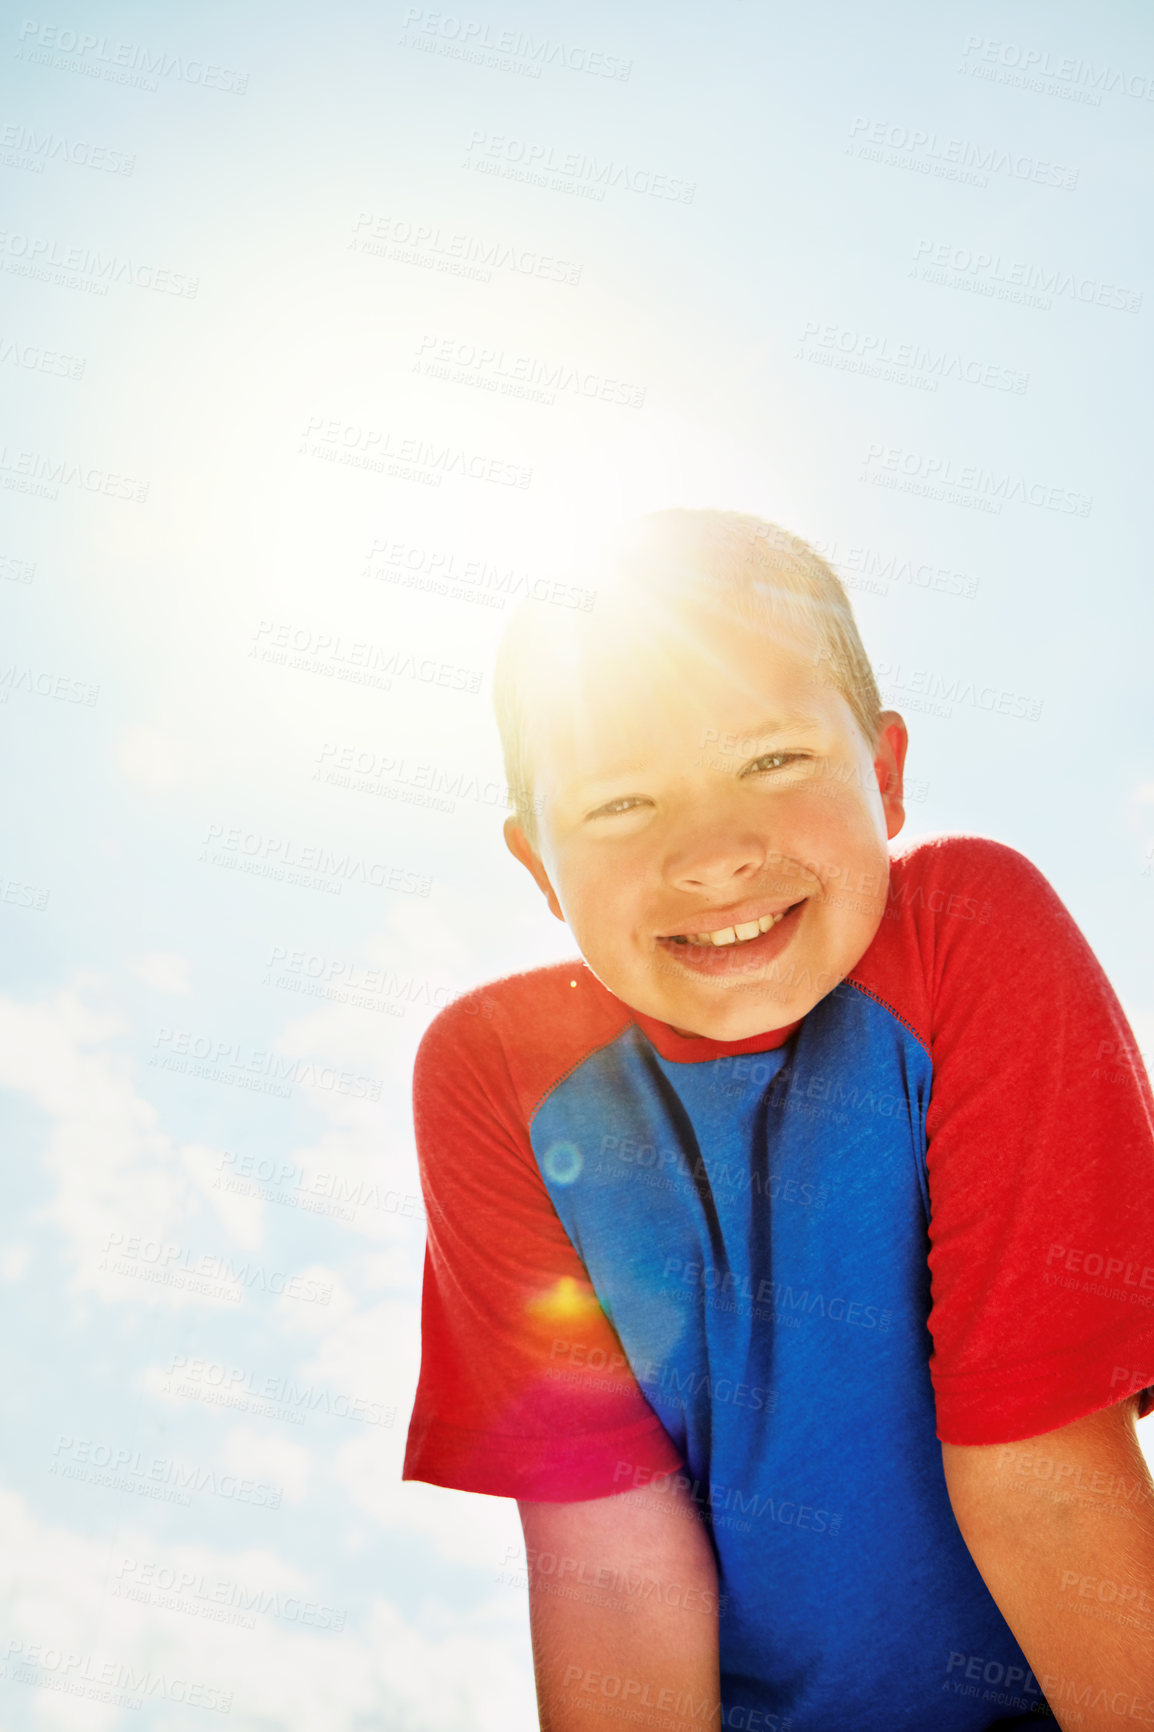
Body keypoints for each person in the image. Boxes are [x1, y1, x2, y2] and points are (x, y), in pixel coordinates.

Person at [402, 509, 1154, 1732]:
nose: (713, 854)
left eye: (769, 763)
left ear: (886, 773)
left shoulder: (971, 932)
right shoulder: (495, 1079)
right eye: (619, 805)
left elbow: (1043, 1468)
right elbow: (613, 1563)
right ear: (536, 866)